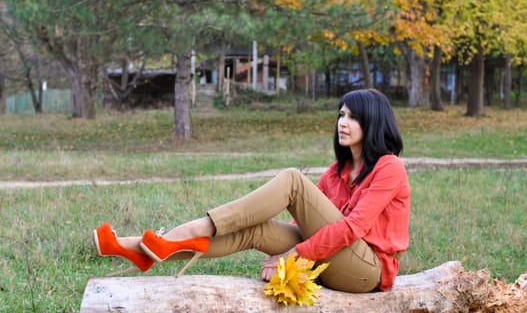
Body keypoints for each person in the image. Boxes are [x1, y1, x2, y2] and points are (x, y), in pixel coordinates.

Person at [93, 88, 410, 293]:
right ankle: (138, 248)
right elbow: (307, 224)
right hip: (330, 261)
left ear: (373, 123)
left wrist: (293, 254)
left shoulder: (389, 167)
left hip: (365, 272)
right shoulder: (335, 172)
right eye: (341, 114)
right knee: (254, 230)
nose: (343, 122)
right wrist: (281, 245)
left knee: (292, 180)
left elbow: (352, 228)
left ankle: (196, 227)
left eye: (353, 117)